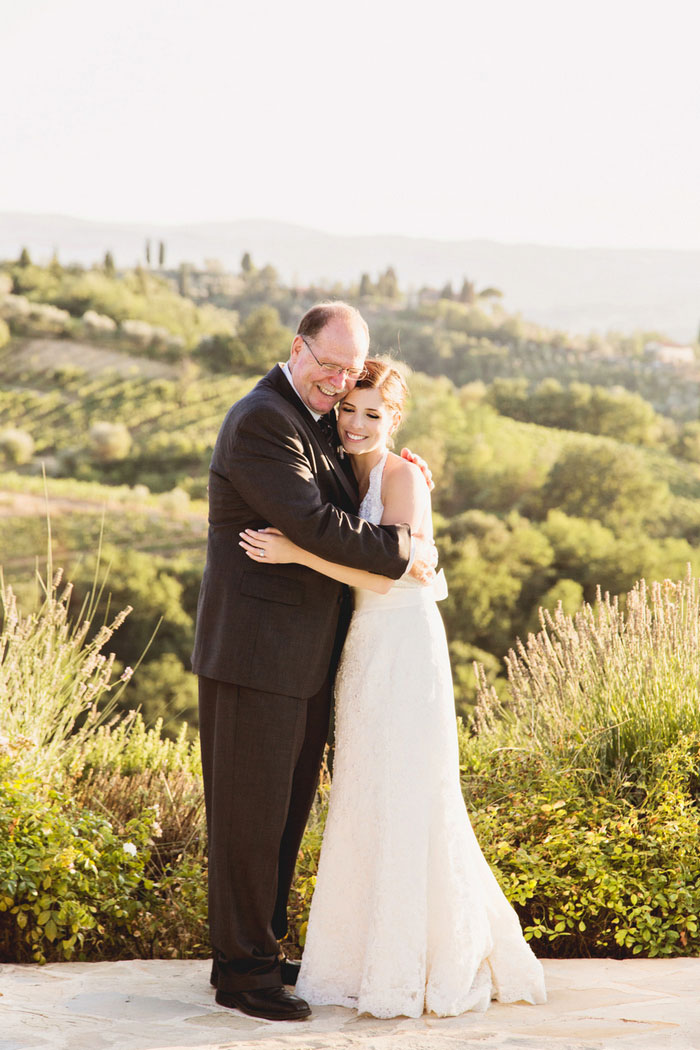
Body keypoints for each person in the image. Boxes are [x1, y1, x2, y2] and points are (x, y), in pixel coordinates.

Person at [240, 359, 547, 1018]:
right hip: (362, 651)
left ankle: (418, 960)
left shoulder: (403, 475)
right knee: (365, 795)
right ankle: (359, 957)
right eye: (349, 409)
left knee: (409, 795)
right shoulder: (345, 467)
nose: (354, 423)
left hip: (404, 645)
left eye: (372, 414)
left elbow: (385, 575)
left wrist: (296, 553)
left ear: (396, 419)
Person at [191, 303, 435, 1022]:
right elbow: (311, 525)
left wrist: (399, 473)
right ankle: (243, 976)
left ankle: (259, 950)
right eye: (327, 366)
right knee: (247, 819)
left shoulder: (318, 417)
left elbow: (363, 453)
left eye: (349, 372)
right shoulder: (263, 419)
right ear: (297, 349)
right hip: (254, 657)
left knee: (282, 816)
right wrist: (405, 548)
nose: (337, 383)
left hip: (300, 658)